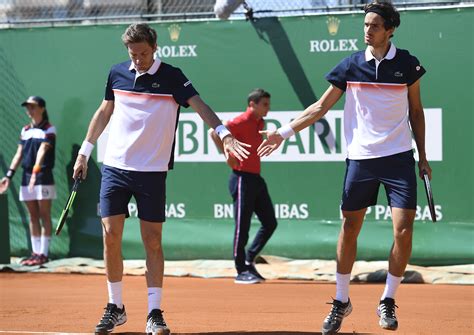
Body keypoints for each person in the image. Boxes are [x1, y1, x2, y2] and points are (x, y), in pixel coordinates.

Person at [257, 1, 431, 333]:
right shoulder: (351, 65)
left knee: (403, 230)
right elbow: (320, 106)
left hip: (398, 159)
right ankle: (341, 300)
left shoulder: (407, 64)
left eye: (375, 25)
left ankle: (388, 299)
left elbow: (417, 111)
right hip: (361, 159)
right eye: (365, 24)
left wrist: (422, 158)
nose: (367, 30)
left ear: (390, 29)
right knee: (349, 229)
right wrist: (283, 132)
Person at [72, 23, 250, 334]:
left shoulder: (173, 76)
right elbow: (104, 111)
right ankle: (116, 306)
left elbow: (201, 107)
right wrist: (85, 152)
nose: (138, 59)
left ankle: (154, 312)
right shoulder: (117, 73)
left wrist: (224, 134)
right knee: (110, 236)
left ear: (154, 48)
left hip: (151, 172)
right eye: (133, 53)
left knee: (152, 242)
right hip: (115, 167)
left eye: (143, 53)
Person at [209, 89, 278, 284]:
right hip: (241, 179)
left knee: (270, 222)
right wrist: (226, 157)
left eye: (268, 104)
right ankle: (240, 270)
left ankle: (249, 258)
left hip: (256, 178)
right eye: (264, 104)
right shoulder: (240, 121)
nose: (268, 108)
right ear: (252, 104)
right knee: (242, 227)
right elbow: (214, 132)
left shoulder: (260, 123)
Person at [0, 96, 56, 266]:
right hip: (26, 176)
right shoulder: (25, 130)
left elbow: (42, 151)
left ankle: (44, 254)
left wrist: (35, 172)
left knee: (44, 214)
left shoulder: (49, 129)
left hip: (43, 176)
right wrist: (8, 176)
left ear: (42, 109)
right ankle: (35, 253)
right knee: (33, 215)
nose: (29, 110)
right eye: (28, 107)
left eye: (33, 107)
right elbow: (19, 154)